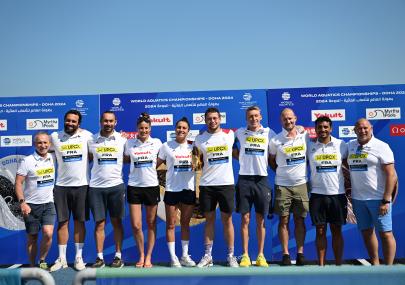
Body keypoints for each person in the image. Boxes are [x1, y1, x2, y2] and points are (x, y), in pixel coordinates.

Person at [347, 118, 397, 265]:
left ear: (371, 129)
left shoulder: (382, 146)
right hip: (358, 199)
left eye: (365, 128)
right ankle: (375, 265)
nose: (362, 131)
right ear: (355, 130)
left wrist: (386, 199)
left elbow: (391, 174)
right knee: (367, 232)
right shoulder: (350, 145)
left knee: (386, 234)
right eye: (359, 128)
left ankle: (388, 269)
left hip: (379, 199)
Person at [194, 107, 238, 268]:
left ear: (220, 119)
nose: (212, 121)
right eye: (209, 119)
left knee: (228, 221)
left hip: (226, 184)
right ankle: (207, 256)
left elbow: (249, 134)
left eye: (215, 118)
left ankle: (231, 256)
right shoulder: (199, 139)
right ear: (205, 121)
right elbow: (196, 163)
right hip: (207, 186)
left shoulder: (230, 134)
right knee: (209, 221)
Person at [50, 109, 92, 271]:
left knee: (79, 222)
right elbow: (42, 147)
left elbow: (102, 147)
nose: (70, 123)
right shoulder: (55, 137)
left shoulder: (87, 136)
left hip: (82, 186)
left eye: (73, 121)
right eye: (68, 120)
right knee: (62, 223)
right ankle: (62, 259)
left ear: (78, 124)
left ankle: (78, 258)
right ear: (64, 121)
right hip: (60, 186)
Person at [233, 106, 276, 267]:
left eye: (256, 116)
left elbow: (280, 145)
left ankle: (260, 255)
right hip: (244, 179)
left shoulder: (269, 133)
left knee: (260, 220)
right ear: (246, 118)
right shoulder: (239, 132)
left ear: (261, 117)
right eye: (250, 116)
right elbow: (225, 144)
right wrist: (241, 158)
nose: (253, 119)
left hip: (262, 180)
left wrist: (300, 130)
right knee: (245, 219)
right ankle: (244, 255)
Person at [269, 108, 308, 266]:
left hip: (301, 184)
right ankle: (285, 254)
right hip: (282, 185)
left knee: (300, 220)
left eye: (291, 118)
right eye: (285, 119)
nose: (288, 121)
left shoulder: (305, 136)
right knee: (283, 220)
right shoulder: (275, 141)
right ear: (281, 121)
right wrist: (280, 172)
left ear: (295, 118)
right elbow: (271, 160)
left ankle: (300, 253)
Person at [88, 111, 127, 268]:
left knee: (117, 222)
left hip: (116, 186)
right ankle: (99, 257)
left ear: (115, 122)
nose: (108, 124)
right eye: (105, 121)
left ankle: (118, 256)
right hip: (96, 187)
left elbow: (137, 154)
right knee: (99, 224)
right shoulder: (91, 140)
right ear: (100, 122)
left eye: (111, 121)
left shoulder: (123, 140)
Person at [307, 116, 348, 265]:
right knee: (320, 231)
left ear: (331, 128)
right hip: (317, 195)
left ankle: (338, 265)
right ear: (315, 130)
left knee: (337, 230)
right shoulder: (310, 146)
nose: (322, 130)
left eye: (325, 127)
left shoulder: (342, 145)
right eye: (319, 127)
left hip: (337, 194)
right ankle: (321, 266)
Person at [157, 117, 196, 267]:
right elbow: (154, 164)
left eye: (184, 128)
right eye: (179, 127)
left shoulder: (194, 147)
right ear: (175, 129)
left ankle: (184, 256)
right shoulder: (166, 146)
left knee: (185, 223)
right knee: (171, 225)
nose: (181, 130)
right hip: (172, 189)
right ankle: (173, 258)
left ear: (188, 131)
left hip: (188, 189)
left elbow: (202, 164)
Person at [124, 112, 162, 268]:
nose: (144, 131)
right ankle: (140, 254)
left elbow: (162, 160)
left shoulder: (157, 143)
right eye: (141, 128)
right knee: (136, 225)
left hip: (151, 186)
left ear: (150, 129)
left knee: (151, 223)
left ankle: (148, 256)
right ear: (137, 128)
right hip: (134, 187)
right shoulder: (129, 144)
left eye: (146, 128)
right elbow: (126, 159)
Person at [15, 132, 56, 269]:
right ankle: (32, 267)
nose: (43, 145)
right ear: (34, 144)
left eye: (45, 142)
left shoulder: (54, 158)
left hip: (49, 203)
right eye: (39, 142)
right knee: (32, 237)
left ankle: (42, 260)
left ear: (49, 144)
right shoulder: (27, 161)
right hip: (31, 206)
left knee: (48, 233)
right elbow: (18, 183)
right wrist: (22, 202)